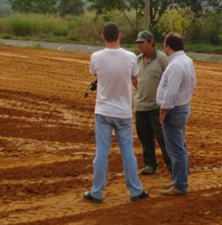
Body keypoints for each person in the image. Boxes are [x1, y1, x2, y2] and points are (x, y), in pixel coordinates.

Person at [84, 22, 149, 203]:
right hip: (123, 112)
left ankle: (97, 192)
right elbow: (134, 79)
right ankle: (135, 190)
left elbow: (97, 75)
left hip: (103, 110)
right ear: (119, 35)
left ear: (103, 37)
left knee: (102, 152)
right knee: (127, 151)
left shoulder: (96, 57)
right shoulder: (130, 57)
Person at [156, 33, 196, 196]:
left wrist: (163, 111)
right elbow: (194, 82)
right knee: (181, 146)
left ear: (168, 47)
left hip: (174, 109)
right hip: (182, 106)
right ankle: (180, 179)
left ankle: (180, 184)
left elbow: (171, 92)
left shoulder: (175, 65)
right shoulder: (187, 61)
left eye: (164, 46)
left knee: (176, 148)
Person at [134, 30, 172, 176]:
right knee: (145, 137)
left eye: (142, 42)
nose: (140, 45)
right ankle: (150, 164)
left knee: (163, 138)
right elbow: (134, 79)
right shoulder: (137, 60)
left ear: (151, 42)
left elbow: (170, 78)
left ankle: (172, 166)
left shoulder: (162, 59)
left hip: (157, 107)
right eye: (138, 43)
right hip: (141, 106)